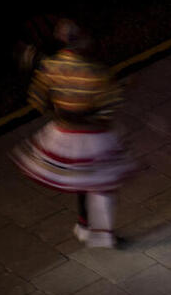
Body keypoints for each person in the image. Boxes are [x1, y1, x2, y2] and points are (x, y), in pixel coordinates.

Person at [11, 19, 133, 248]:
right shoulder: (96, 72)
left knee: (82, 183)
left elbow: (37, 101)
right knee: (103, 187)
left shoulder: (51, 66)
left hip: (62, 133)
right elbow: (110, 106)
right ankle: (103, 235)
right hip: (93, 136)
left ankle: (84, 225)